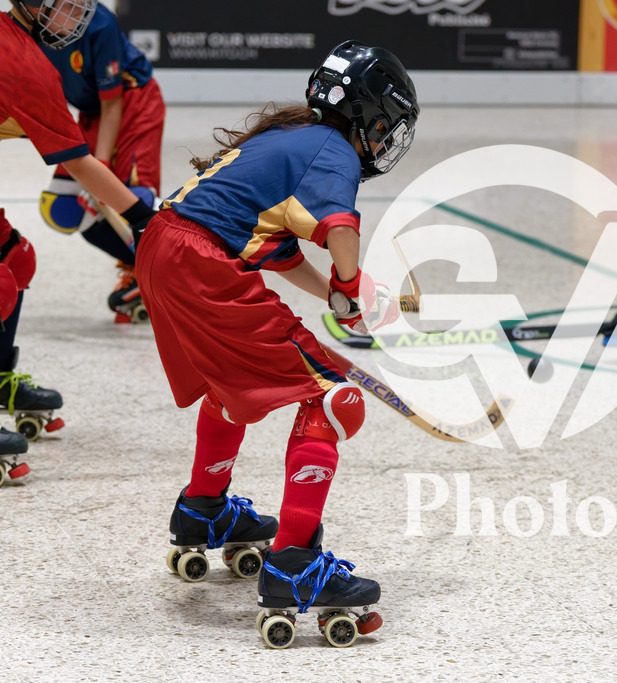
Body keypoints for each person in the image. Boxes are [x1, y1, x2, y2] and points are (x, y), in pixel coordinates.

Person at [135, 40, 418, 648]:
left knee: (229, 381)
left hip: (162, 248)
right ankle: (293, 564)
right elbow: (340, 227)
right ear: (367, 117)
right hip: (200, 262)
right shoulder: (333, 150)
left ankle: (203, 508)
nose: (385, 139)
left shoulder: (288, 139)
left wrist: (336, 297)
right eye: (386, 126)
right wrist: (349, 284)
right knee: (334, 396)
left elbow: (278, 249)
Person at [0, 0, 156, 451]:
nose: (79, 16)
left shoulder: (22, 45)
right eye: (64, 5)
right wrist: (143, 220)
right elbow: (80, 161)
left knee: (14, 258)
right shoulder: (25, 64)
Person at [30, 0, 165, 323]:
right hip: (90, 113)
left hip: (132, 103)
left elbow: (112, 103)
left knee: (132, 197)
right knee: (64, 208)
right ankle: (146, 272)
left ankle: (161, 272)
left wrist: (101, 165)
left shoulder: (100, 23)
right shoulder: (25, 28)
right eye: (69, 6)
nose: (80, 12)